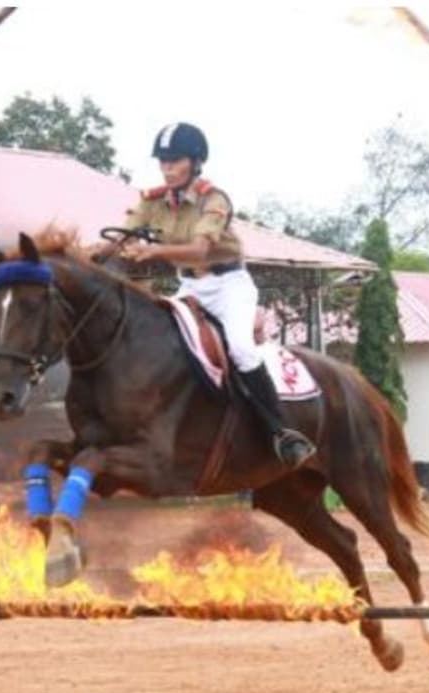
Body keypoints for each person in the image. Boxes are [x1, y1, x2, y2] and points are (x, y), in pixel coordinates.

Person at [108, 122, 316, 468]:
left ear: (195, 162)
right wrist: (85, 254)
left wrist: (153, 251)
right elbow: (121, 237)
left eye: (175, 161)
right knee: (158, 339)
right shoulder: (151, 200)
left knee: (241, 348)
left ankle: (282, 432)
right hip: (189, 286)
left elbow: (200, 250)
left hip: (228, 286)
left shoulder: (213, 199)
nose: (167, 169)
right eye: (163, 161)